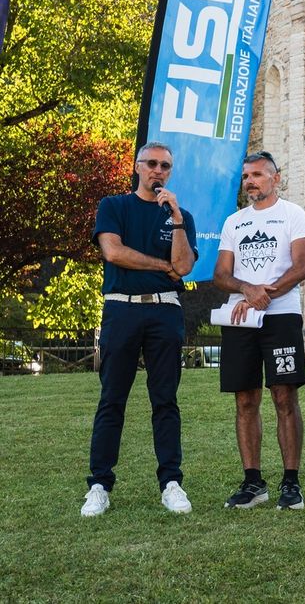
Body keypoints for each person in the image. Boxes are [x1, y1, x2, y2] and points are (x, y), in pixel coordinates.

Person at [81, 141, 198, 517]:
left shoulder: (182, 217)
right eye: (151, 164)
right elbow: (114, 252)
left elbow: (182, 266)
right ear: (137, 167)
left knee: (165, 401)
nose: (158, 171)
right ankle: (99, 485)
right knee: (112, 400)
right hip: (122, 310)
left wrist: (177, 218)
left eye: (165, 166)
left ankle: (171, 483)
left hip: (165, 313)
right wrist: (159, 266)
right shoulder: (113, 206)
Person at [213, 151, 305, 510]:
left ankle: (291, 483)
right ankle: (253, 483)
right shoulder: (234, 222)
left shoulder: (292, 214)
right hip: (241, 320)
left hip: (282, 317)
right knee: (245, 400)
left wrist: (261, 293)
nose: (251, 181)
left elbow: (302, 267)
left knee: (285, 397)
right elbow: (221, 275)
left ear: (276, 178)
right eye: (246, 177)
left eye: (257, 174)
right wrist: (247, 289)